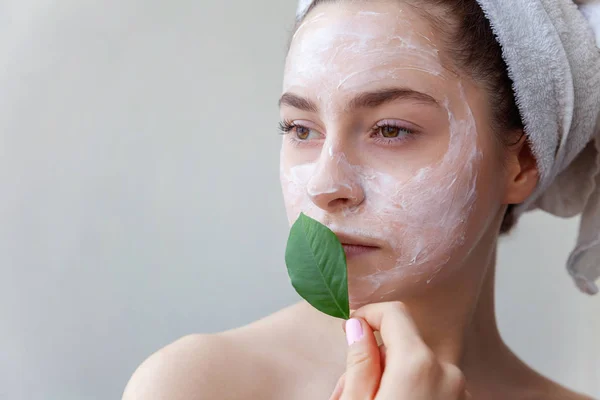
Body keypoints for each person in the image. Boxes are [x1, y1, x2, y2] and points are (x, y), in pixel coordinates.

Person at [122, 0, 600, 398]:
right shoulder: (199, 385)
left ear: (522, 163)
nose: (325, 185)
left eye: (390, 129)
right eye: (301, 129)